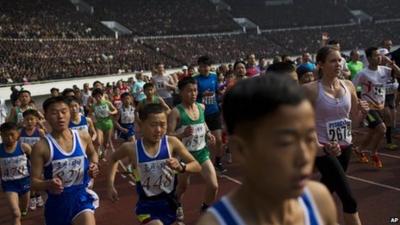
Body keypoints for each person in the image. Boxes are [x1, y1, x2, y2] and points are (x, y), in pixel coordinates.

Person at [197, 75, 337, 225]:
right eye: (286, 142)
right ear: (240, 150)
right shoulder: (215, 222)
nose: (304, 157)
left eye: (309, 139)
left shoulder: (318, 200)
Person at [107, 103, 201, 225]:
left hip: (169, 204)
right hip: (146, 206)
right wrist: (110, 185)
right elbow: (113, 159)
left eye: (163, 125)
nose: (158, 130)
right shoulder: (131, 148)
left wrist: (181, 166)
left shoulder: (172, 142)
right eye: (153, 125)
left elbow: (197, 166)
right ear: (141, 124)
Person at [303, 46, 366, 225]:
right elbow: (303, 122)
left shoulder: (349, 85)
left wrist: (361, 111)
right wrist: (319, 146)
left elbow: (354, 121)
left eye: (339, 60)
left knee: (327, 188)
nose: (338, 64)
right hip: (325, 149)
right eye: (333, 60)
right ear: (321, 65)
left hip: (346, 146)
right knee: (349, 200)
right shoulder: (310, 90)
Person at [30, 96, 99, 225]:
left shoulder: (83, 136)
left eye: (64, 111)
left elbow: (93, 153)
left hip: (81, 198)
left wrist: (94, 165)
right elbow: (33, 183)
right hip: (57, 204)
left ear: (70, 112)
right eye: (54, 113)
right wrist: (49, 184)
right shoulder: (41, 147)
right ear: (46, 116)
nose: (60, 116)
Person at [167, 77, 218, 221]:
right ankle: (176, 203)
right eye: (189, 91)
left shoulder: (201, 107)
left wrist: (208, 133)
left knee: (213, 186)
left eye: (195, 90)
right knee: (183, 187)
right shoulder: (176, 112)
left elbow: (203, 123)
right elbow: (168, 134)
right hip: (185, 156)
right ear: (181, 92)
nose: (193, 93)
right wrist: (182, 134)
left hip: (201, 153)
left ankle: (205, 208)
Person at [353, 47, 400, 168]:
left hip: (381, 106)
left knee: (372, 132)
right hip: (368, 107)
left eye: (379, 55)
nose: (379, 57)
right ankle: (374, 153)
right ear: (368, 59)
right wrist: (358, 102)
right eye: (375, 55)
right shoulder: (362, 73)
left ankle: (359, 149)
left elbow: (399, 73)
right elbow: (351, 88)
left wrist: (391, 63)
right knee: (382, 129)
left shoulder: (385, 70)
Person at [194, 55, 225, 173]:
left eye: (206, 66)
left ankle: (217, 161)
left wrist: (220, 92)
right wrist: (202, 95)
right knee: (204, 141)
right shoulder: (195, 79)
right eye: (202, 66)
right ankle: (204, 162)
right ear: (199, 67)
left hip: (214, 111)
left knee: (218, 140)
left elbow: (216, 90)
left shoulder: (214, 76)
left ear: (210, 67)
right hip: (201, 113)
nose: (204, 68)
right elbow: (193, 95)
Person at [0, 122, 32, 224]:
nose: (9, 138)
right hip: (9, 184)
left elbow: (33, 160)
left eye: (12, 134)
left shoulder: (24, 147)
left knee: (24, 207)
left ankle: (23, 209)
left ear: (17, 134)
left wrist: (35, 176)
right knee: (15, 213)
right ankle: (17, 217)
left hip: (25, 181)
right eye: (5, 135)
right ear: (1, 135)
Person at [19, 109, 46, 211]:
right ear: (23, 121)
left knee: (37, 178)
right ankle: (32, 197)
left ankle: (38, 195)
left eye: (32, 119)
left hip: (38, 160)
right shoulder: (20, 132)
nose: (29, 122)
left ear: (36, 120)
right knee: (29, 179)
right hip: (24, 161)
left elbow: (45, 144)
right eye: (27, 120)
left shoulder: (40, 132)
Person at [89, 88, 118, 160]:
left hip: (108, 124)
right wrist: (93, 118)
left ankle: (104, 151)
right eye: (96, 97)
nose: (98, 98)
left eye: (99, 96)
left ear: (102, 96)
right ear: (94, 97)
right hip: (99, 124)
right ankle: (99, 152)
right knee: (98, 141)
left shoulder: (107, 103)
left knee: (106, 143)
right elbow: (89, 114)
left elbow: (115, 110)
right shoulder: (94, 106)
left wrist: (111, 112)